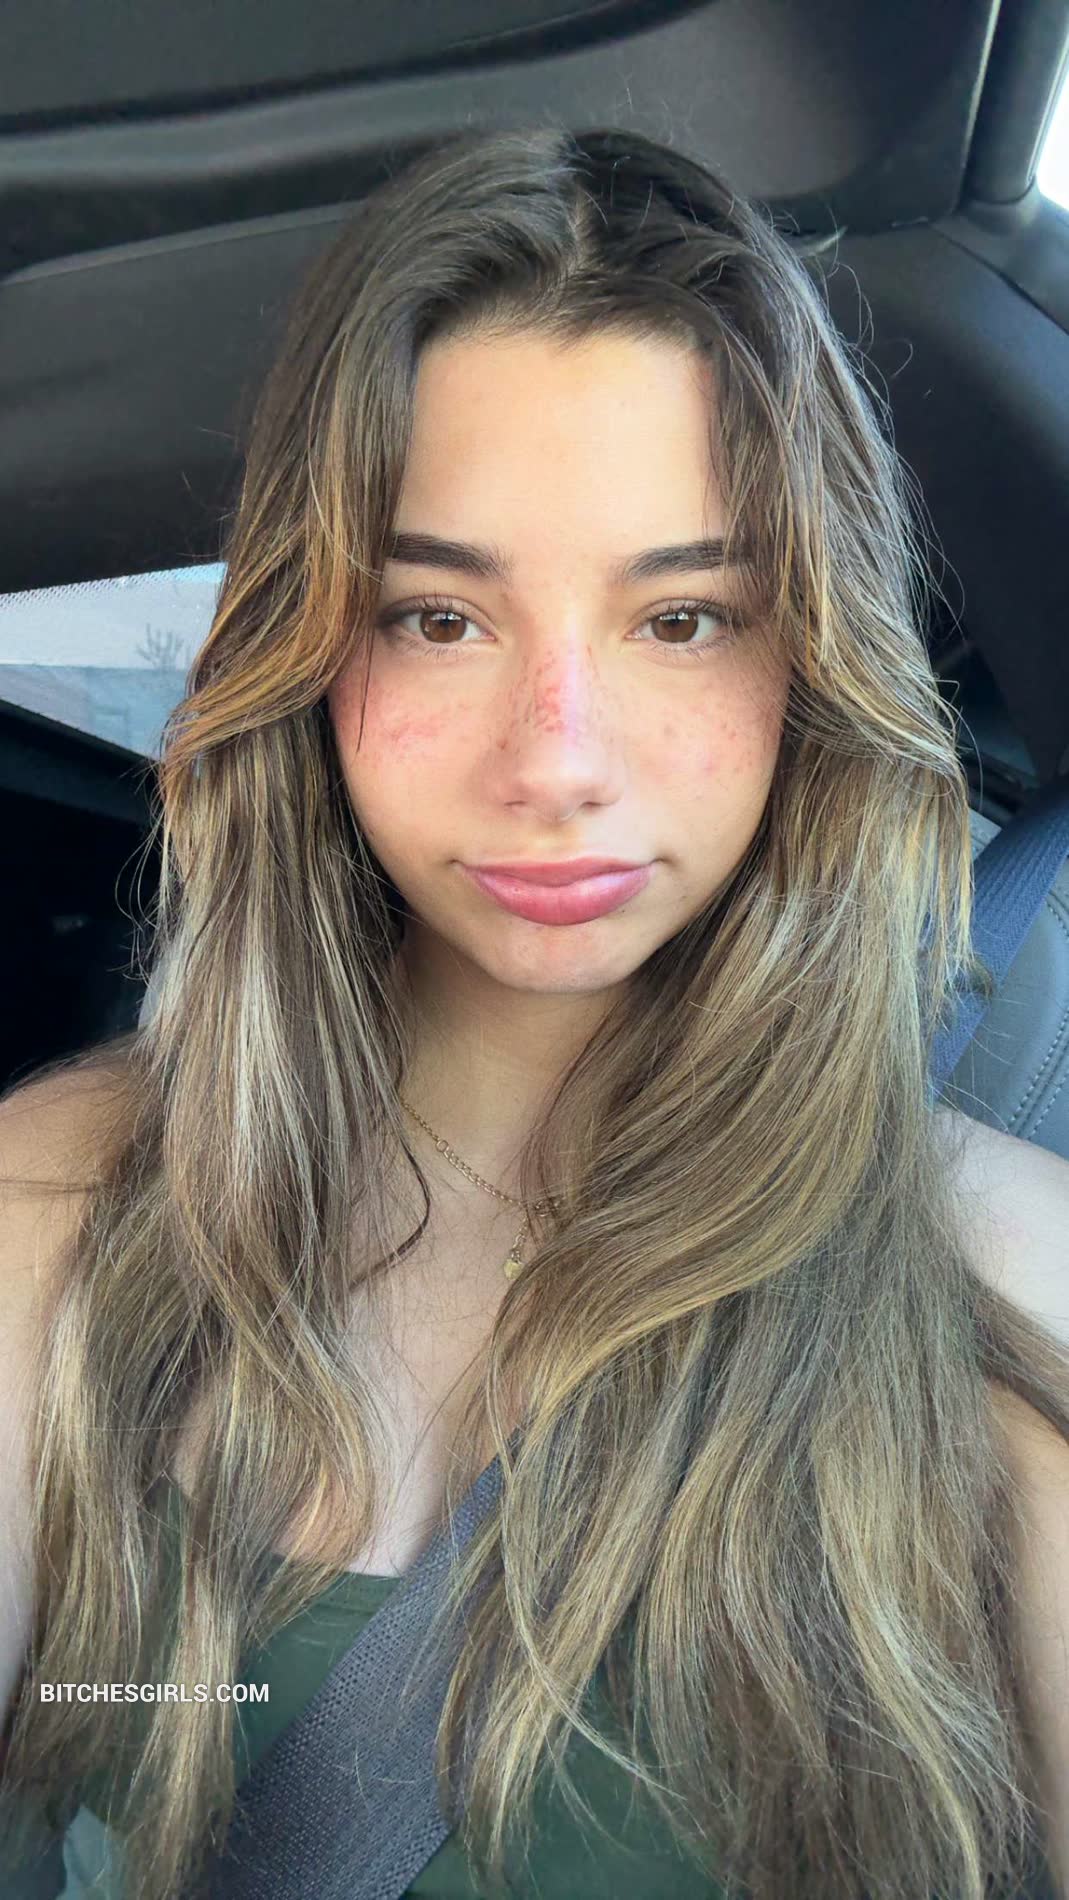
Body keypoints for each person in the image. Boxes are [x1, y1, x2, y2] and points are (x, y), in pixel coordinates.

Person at [1, 121, 1068, 1900]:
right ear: (307, 651)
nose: (556, 762)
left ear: (810, 662)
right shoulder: (56, 1207)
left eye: (683, 619)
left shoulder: (1012, 1298)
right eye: (436, 617)